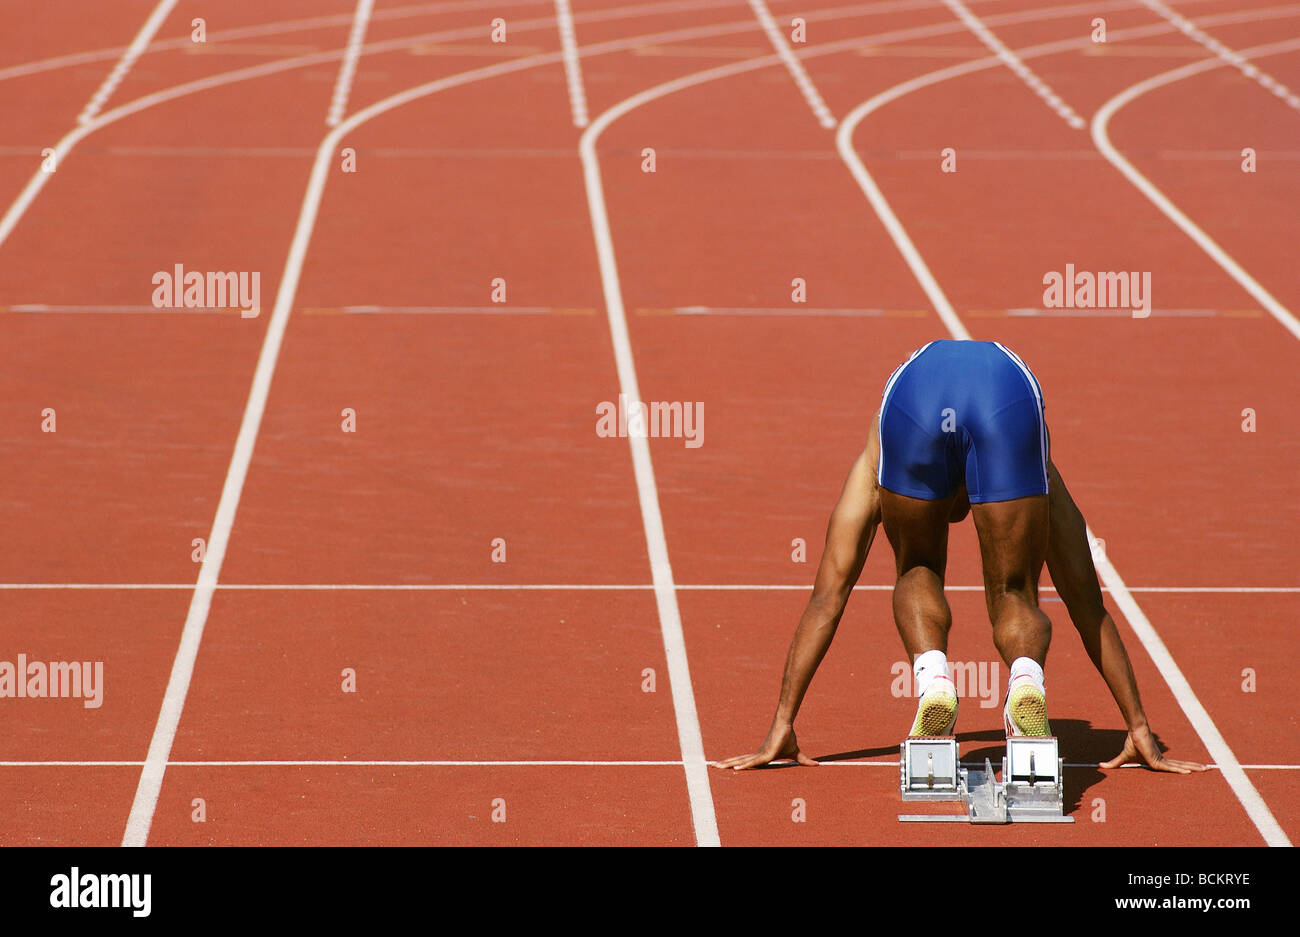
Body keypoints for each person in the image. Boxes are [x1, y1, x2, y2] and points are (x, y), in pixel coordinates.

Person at [715, 340, 1205, 774]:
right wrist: (1137, 723)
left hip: (913, 405)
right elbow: (1084, 597)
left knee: (917, 570)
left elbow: (828, 595)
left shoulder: (874, 458)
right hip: (1005, 396)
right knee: (1016, 592)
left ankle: (933, 684)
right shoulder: (1041, 470)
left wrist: (783, 721)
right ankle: (1025, 682)